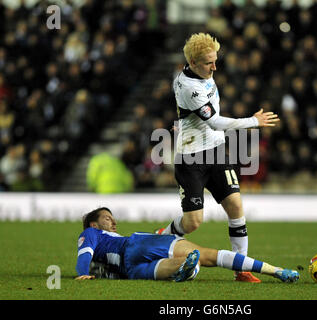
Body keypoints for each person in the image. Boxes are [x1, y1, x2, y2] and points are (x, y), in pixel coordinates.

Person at [155, 33, 280, 283]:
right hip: (191, 160)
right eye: (208, 63)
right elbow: (214, 122)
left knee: (235, 206)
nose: (215, 67)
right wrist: (253, 122)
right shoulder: (189, 87)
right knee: (193, 222)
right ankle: (161, 236)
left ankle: (241, 268)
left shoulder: (202, 74)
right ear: (191, 62)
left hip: (216, 152)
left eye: (215, 60)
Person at [75, 207, 299, 283]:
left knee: (182, 265)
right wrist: (82, 273)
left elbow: (92, 259)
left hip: (132, 270)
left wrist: (90, 271)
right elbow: (84, 253)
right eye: (107, 218)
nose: (113, 221)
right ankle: (275, 270)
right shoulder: (91, 232)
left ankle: (185, 269)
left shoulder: (103, 248)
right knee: (208, 255)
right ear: (94, 223)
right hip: (137, 244)